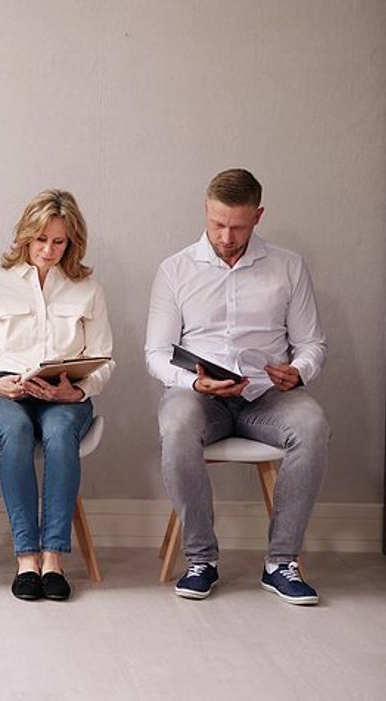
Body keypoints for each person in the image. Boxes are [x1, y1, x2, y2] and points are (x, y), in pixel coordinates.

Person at [145, 168, 329, 604]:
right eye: (217, 223)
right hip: (198, 396)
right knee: (176, 426)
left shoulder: (288, 266)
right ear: (206, 212)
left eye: (238, 226)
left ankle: (281, 562)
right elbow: (155, 353)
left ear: (258, 216)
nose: (226, 236)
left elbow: (312, 343)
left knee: (313, 424)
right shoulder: (175, 270)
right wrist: (194, 381)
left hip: (267, 396)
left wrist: (299, 370)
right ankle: (200, 559)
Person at [0, 189, 114, 601]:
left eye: (59, 241)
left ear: (72, 242)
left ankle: (54, 558)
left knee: (61, 435)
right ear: (26, 236)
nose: (48, 250)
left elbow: (106, 360)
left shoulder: (88, 290)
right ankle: (26, 558)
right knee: (15, 432)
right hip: (5, 392)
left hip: (63, 394)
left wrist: (77, 389)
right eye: (41, 239)